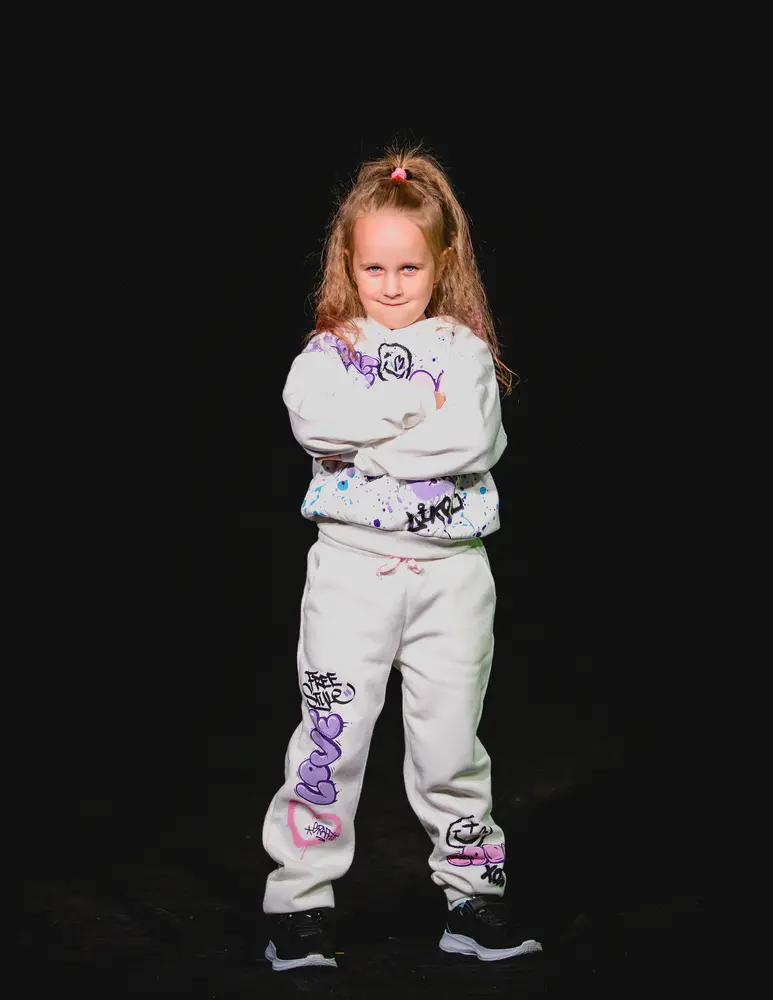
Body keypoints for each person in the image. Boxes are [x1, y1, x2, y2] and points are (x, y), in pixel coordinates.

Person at [262, 145, 541, 971]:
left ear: (441, 262)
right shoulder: (325, 353)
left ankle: (471, 896)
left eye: (408, 267)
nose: (390, 284)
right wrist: (416, 414)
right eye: (373, 267)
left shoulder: (463, 349)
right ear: (348, 264)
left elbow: (471, 440)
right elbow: (314, 424)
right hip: (351, 574)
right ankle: (298, 905)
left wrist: (370, 443)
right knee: (330, 740)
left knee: (452, 748)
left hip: (452, 577)